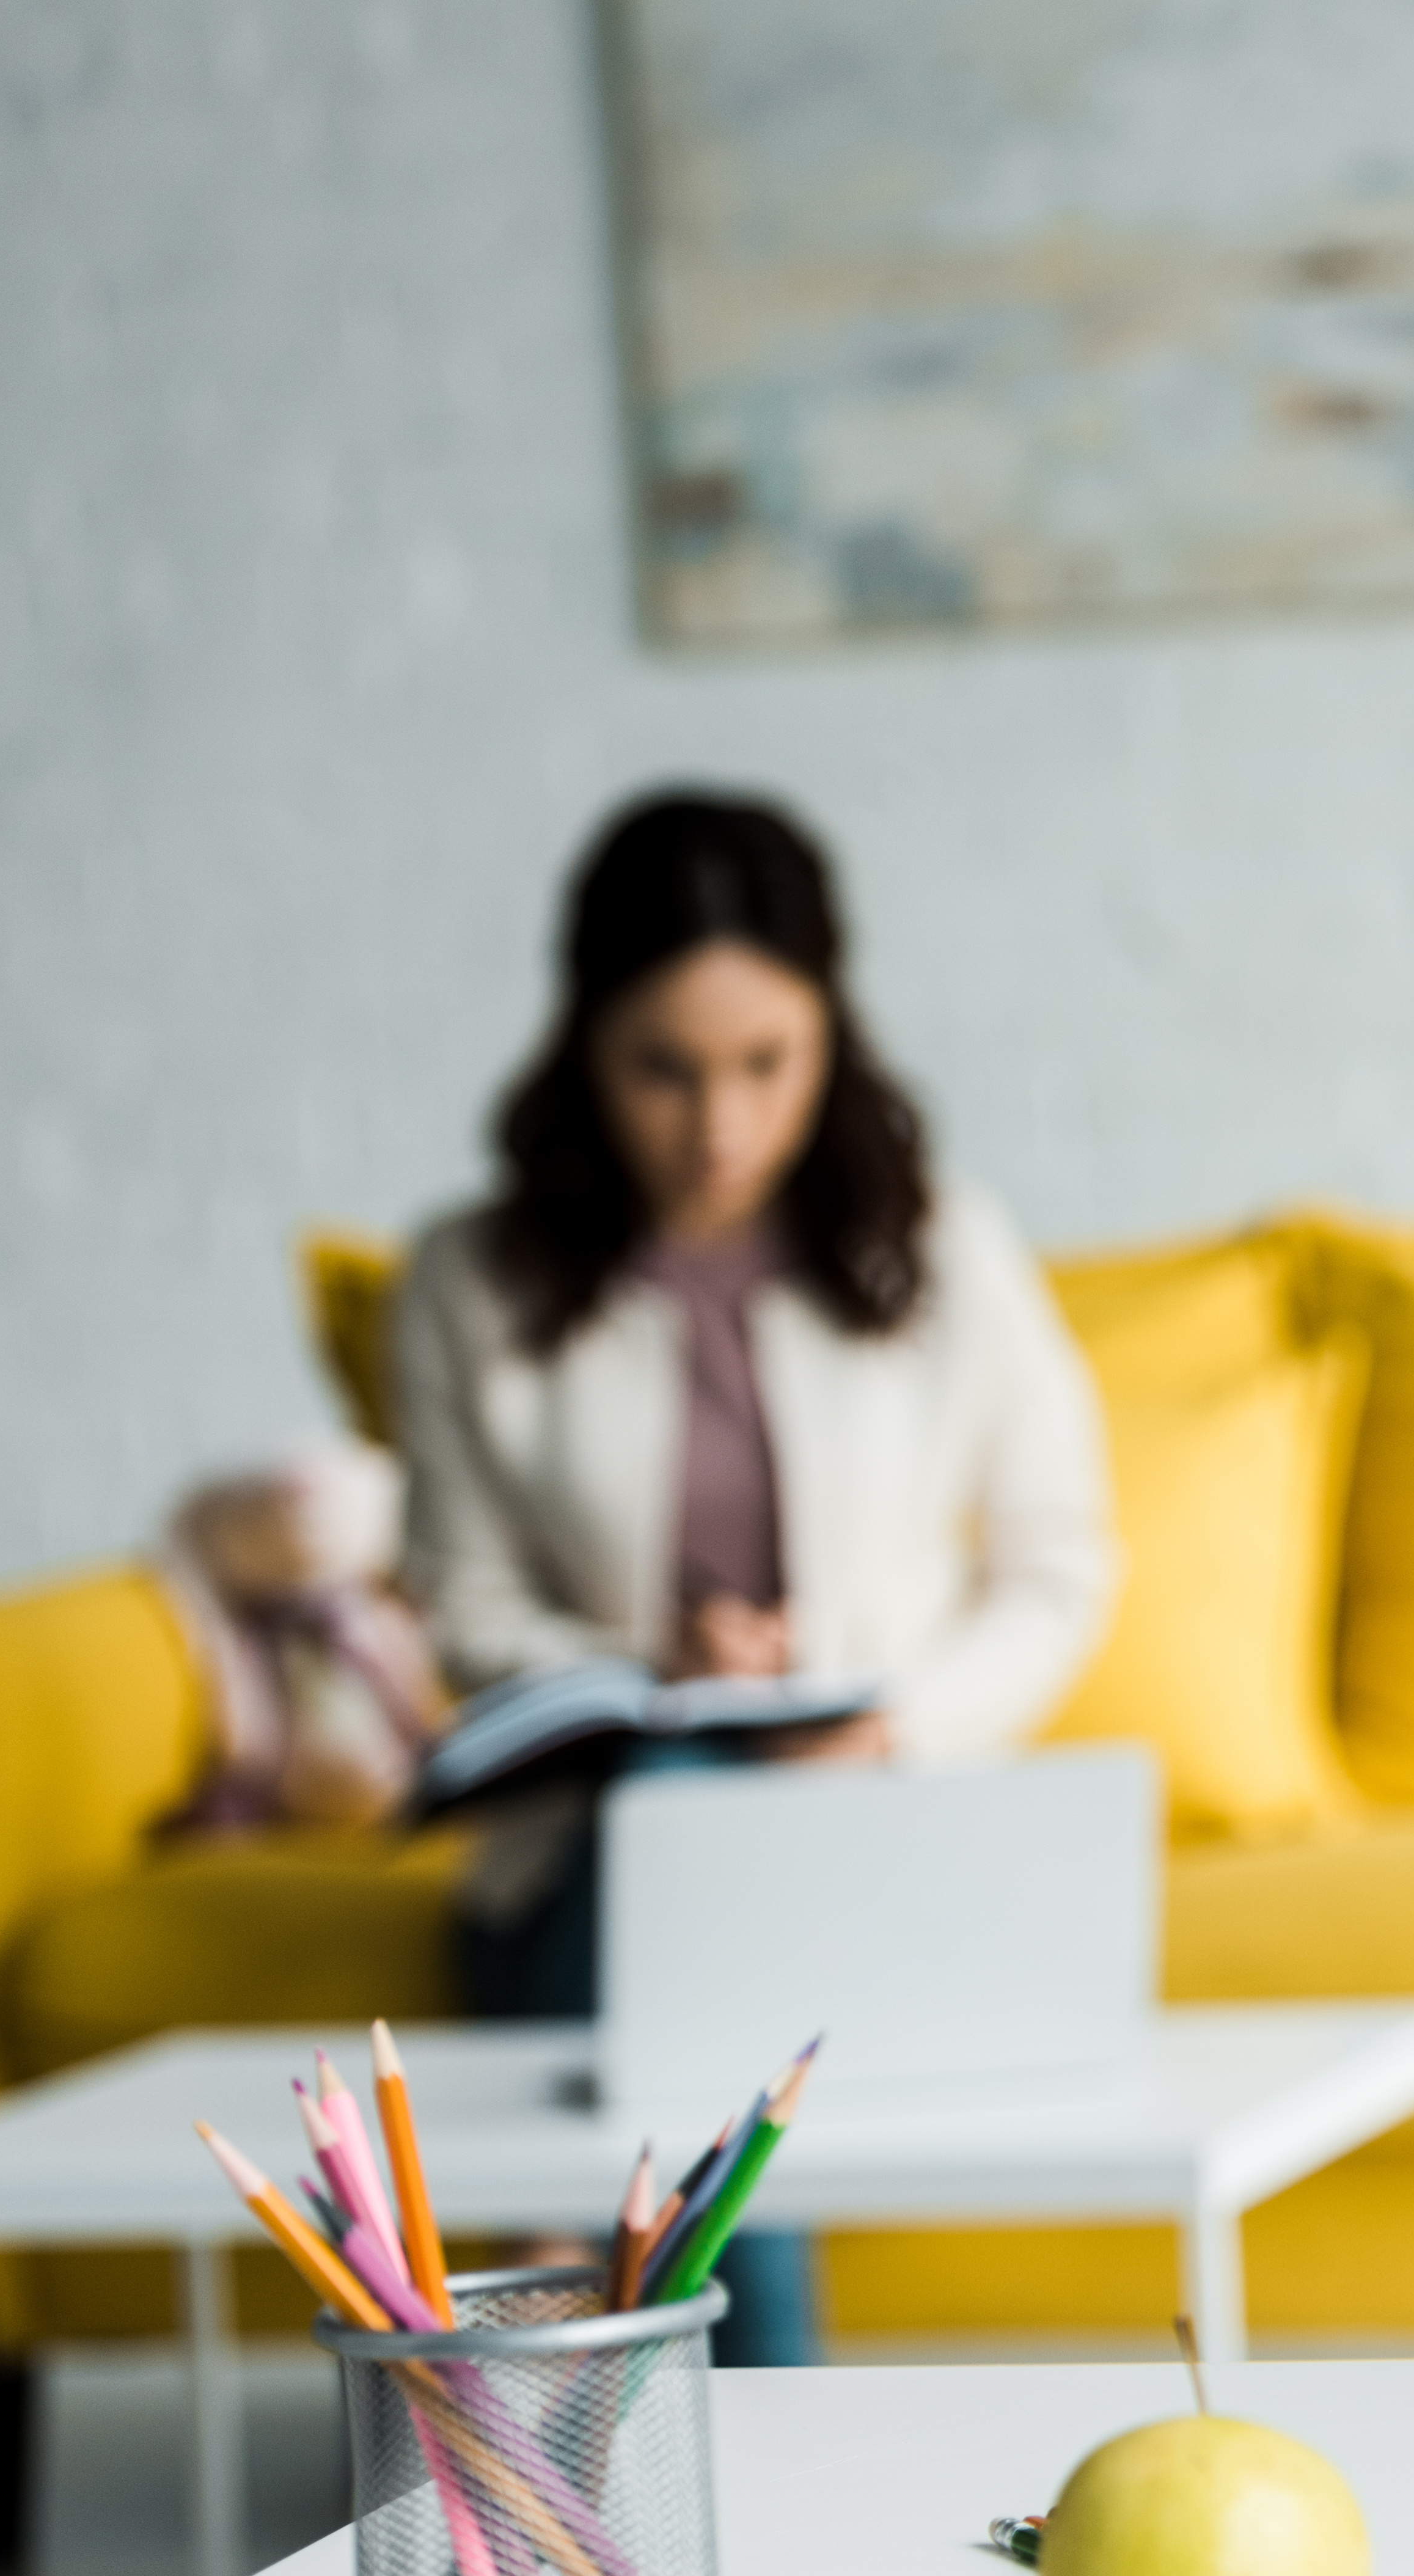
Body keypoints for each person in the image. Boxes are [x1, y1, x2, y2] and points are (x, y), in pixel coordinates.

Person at [395, 790, 1116, 2365]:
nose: (717, 1124)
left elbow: (1058, 1571)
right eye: (665, 1068)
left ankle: (556, 2340)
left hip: (869, 1838)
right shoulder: (468, 1279)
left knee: (726, 1934)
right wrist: (659, 1669)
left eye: (764, 1065)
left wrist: (889, 1729)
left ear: (832, 1037)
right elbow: (460, 1608)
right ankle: (751, 2426)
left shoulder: (948, 1251)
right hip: (589, 1862)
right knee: (696, 1860)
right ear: (584, 1042)